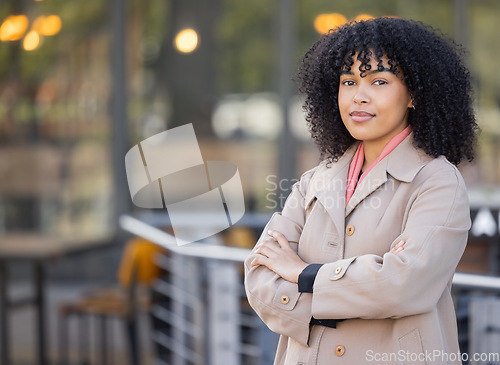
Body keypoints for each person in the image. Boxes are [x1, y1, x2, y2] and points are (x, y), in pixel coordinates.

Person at [244, 17, 478, 364]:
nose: (359, 96)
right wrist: (358, 290)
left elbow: (402, 285)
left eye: (379, 81)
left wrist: (302, 274)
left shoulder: (437, 182)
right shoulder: (315, 180)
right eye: (349, 81)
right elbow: (260, 276)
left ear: (414, 93)